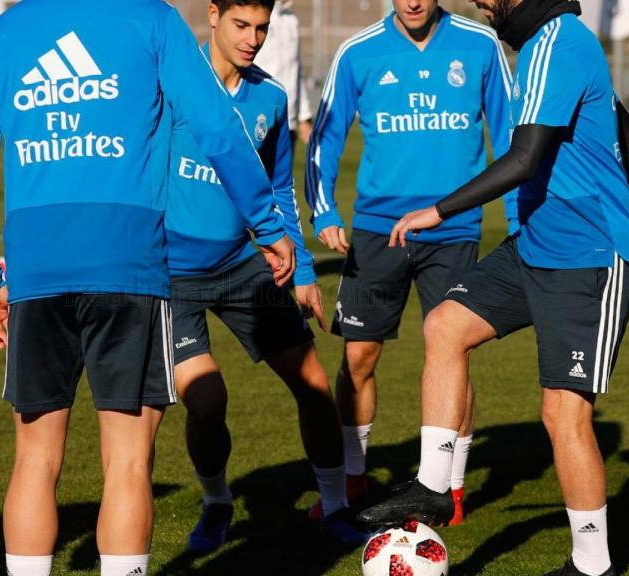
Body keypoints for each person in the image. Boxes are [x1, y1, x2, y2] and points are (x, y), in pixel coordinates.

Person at [0, 1, 294, 574]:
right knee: (129, 461)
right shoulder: (152, 20)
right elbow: (216, 125)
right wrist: (267, 220)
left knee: (35, 458)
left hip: (37, 267)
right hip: (130, 262)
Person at [356, 1, 629, 575]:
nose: (480, 2)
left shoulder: (557, 41)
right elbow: (627, 126)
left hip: (589, 257)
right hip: (537, 246)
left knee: (563, 412)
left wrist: (437, 211)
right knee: (445, 323)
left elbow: (524, 157)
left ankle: (594, 565)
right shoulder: (543, 45)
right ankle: (434, 485)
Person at [167, 0, 367, 553]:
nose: (253, 38)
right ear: (212, 15)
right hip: (171, 276)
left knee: (314, 384)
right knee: (206, 402)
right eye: (241, 25)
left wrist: (302, 269)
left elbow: (279, 193)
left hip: (241, 266)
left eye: (262, 27)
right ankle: (216, 503)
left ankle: (334, 507)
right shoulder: (172, 85)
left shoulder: (271, 99)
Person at [304, 0, 514, 524]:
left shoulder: (480, 44)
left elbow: (511, 134)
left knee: (453, 352)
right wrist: (324, 207)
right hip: (377, 232)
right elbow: (326, 135)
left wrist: (518, 219)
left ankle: (452, 489)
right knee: (358, 358)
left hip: (454, 227)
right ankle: (354, 479)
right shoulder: (358, 51)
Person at [253, 0, 314, 144]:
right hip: (260, 116)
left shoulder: (291, 20)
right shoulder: (256, 14)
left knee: (284, 167)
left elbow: (296, 70)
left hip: (289, 120)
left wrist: (304, 116)